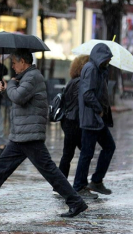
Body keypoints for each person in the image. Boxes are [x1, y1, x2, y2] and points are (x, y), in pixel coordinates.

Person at [0, 49, 88, 218]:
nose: (12, 66)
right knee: (2, 166)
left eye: (14, 63)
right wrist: (7, 88)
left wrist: (11, 85)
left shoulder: (33, 77)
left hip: (29, 134)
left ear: (23, 62)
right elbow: (17, 98)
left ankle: (76, 202)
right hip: (21, 134)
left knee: (49, 170)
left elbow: (19, 96)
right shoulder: (25, 78)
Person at [73, 43, 116, 196]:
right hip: (92, 118)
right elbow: (87, 94)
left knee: (108, 147)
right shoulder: (91, 69)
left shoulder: (99, 69)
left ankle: (96, 181)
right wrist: (99, 110)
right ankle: (79, 185)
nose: (109, 62)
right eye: (107, 59)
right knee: (87, 153)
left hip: (97, 119)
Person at [56, 55, 98, 198]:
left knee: (68, 154)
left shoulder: (73, 81)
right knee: (86, 153)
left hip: (68, 121)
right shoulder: (81, 83)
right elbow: (82, 103)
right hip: (77, 123)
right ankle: (80, 185)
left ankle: (60, 186)